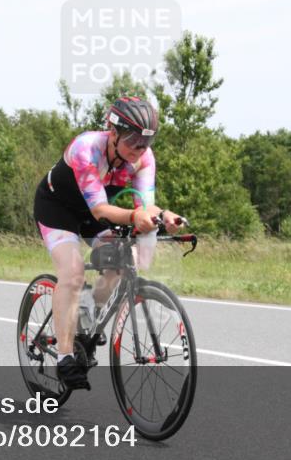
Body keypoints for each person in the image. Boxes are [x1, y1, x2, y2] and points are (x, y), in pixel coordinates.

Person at [33, 96, 183, 390]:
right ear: (112, 132)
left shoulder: (143, 159)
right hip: (58, 208)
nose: (140, 149)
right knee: (74, 272)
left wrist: (164, 217)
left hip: (95, 213)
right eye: (133, 141)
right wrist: (135, 216)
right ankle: (64, 357)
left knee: (120, 261)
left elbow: (146, 206)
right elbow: (102, 210)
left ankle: (86, 313)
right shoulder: (86, 148)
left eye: (146, 142)